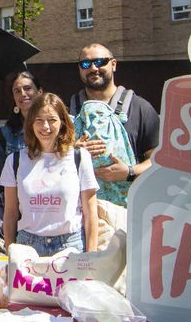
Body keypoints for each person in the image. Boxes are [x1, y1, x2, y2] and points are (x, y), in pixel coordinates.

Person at [0, 93, 99, 255]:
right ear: (31, 124)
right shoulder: (14, 161)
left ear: (62, 123)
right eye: (39, 120)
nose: (45, 127)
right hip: (28, 247)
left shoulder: (79, 157)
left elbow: (90, 212)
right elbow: (10, 213)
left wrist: (91, 257)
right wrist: (10, 252)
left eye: (52, 120)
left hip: (70, 246)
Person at [68, 43, 160, 206]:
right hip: (80, 214)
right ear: (79, 69)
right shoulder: (70, 112)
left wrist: (129, 172)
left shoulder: (139, 108)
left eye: (100, 62)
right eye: (85, 64)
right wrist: (72, 151)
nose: (93, 68)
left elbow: (159, 160)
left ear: (114, 64)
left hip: (128, 211)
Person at [0, 71, 44, 174]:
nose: (23, 94)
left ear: (39, 92)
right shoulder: (4, 134)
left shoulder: (56, 126)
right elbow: (4, 175)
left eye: (27, 88)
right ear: (14, 98)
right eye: (17, 91)